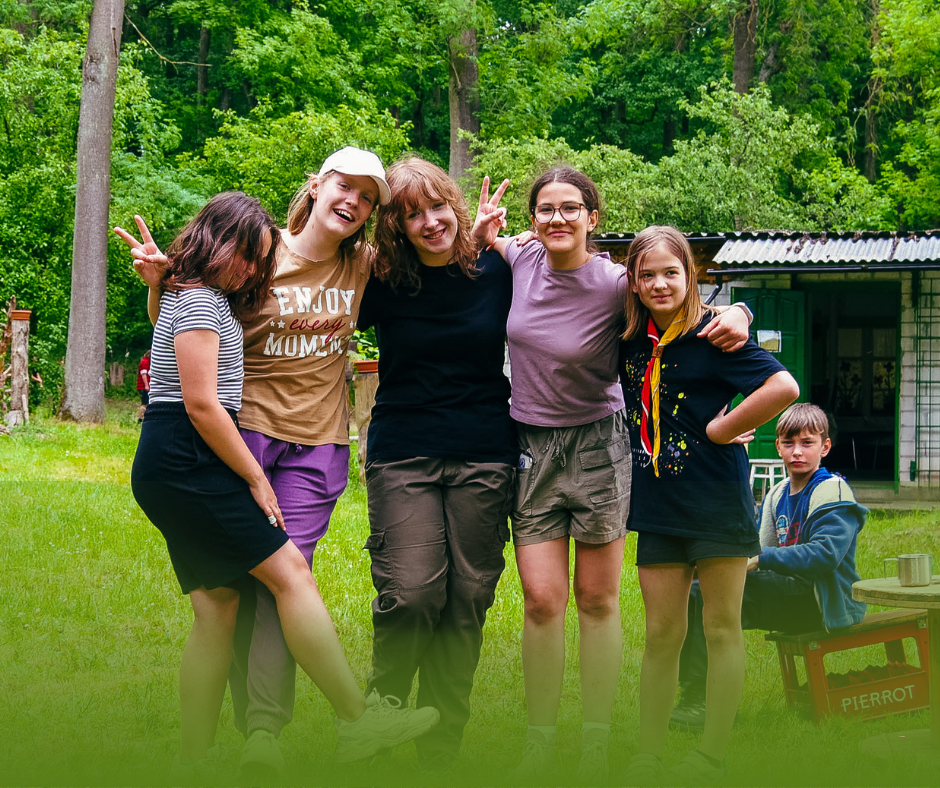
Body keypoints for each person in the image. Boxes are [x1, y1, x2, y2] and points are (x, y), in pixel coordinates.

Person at [126, 192, 439, 782]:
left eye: (260, 260)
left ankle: (191, 759)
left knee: (218, 609)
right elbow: (201, 404)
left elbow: (174, 342)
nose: (253, 271)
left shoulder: (196, 295)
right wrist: (254, 477)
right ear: (217, 242)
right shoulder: (200, 301)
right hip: (188, 458)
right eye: (246, 255)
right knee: (291, 574)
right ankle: (357, 719)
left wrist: (159, 285)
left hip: (169, 463)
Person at [480, 172, 753, 784]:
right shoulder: (521, 257)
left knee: (597, 599)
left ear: (593, 216)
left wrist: (741, 309)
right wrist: (480, 233)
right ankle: (540, 742)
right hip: (532, 445)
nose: (557, 218)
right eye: (545, 209)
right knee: (542, 601)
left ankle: (596, 742)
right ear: (532, 219)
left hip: (600, 446)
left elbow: (680, 304)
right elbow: (484, 244)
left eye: (570, 208)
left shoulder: (616, 283)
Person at [618, 225, 799, 785]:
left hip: (718, 502)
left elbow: (783, 388)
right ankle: (648, 753)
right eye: (647, 274)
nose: (659, 283)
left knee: (721, 629)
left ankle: (712, 754)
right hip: (657, 505)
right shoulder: (628, 340)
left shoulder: (715, 334)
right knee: (661, 635)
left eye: (671, 272)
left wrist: (723, 429)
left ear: (690, 275)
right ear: (633, 282)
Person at [356, 156, 517, 774]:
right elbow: (305, 280)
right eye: (412, 215)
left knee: (468, 597)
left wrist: (735, 314)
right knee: (414, 591)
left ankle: (442, 746)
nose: (430, 222)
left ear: (455, 205)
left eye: (437, 207)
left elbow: (579, 283)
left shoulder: (497, 269)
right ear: (395, 226)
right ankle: (385, 707)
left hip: (484, 452)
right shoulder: (381, 279)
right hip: (405, 452)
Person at [670, 403, 868, 730]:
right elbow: (755, 549)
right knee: (698, 592)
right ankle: (697, 693)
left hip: (825, 600)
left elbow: (825, 556)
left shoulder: (832, 490)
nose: (797, 452)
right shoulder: (777, 494)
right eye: (789, 443)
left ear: (825, 447)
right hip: (791, 592)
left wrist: (761, 558)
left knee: (711, 596)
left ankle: (705, 702)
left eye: (807, 443)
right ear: (778, 446)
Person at [136, 349, 151, 422]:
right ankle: (141, 418)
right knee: (144, 403)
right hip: (143, 386)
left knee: (146, 402)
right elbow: (143, 374)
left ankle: (143, 417)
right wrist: (146, 385)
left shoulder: (146, 361)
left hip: (145, 386)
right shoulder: (145, 362)